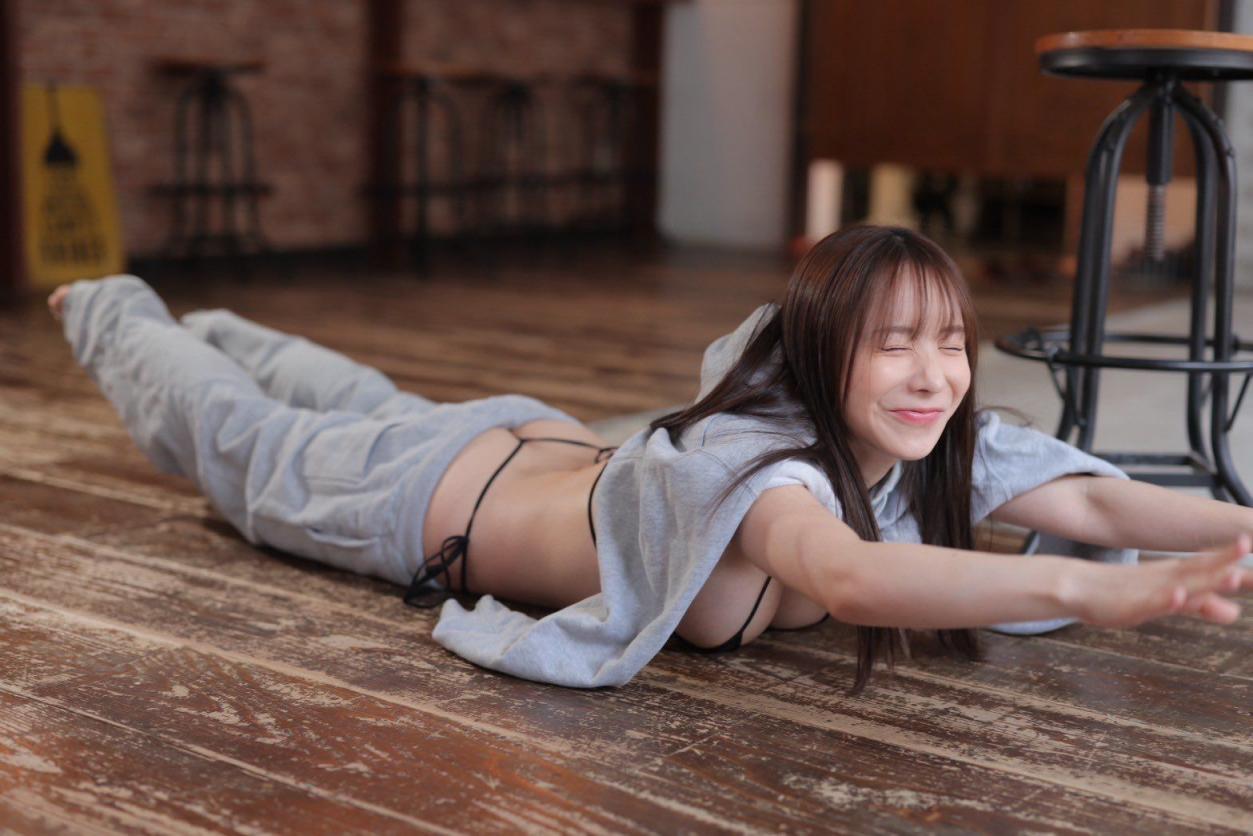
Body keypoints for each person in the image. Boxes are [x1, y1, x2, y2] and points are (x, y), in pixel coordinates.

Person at [48, 225, 1252, 694]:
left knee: (361, 399)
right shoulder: (763, 463)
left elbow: (1095, 498)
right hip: (425, 499)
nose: (932, 373)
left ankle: (226, 325)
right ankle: (111, 306)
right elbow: (848, 579)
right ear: (820, 351)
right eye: (892, 344)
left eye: (947, 341)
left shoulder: (914, 442)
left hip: (530, 440)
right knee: (235, 437)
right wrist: (1097, 590)